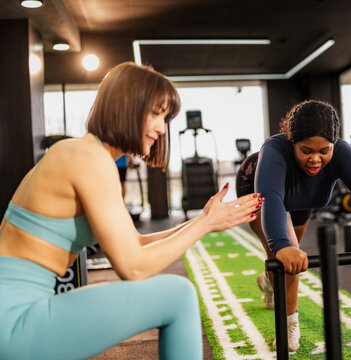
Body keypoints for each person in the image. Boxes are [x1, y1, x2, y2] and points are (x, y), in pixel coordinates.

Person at [0, 62, 263, 360]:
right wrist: (203, 226)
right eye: (156, 113)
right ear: (125, 106)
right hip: (14, 319)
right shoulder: (90, 159)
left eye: (165, 118)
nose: (161, 128)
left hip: (16, 308)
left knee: (177, 294)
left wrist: (205, 220)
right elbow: (133, 268)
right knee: (179, 296)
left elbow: (134, 243)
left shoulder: (82, 153)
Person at [235, 99, 351, 352]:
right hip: (260, 191)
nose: (315, 159)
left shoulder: (342, 152)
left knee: (292, 257)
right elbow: (272, 199)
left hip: (302, 196)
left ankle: (269, 283)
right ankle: (289, 322)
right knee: (284, 259)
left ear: (334, 144)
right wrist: (281, 246)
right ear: (292, 141)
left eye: (324, 151)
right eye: (306, 150)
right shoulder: (274, 150)